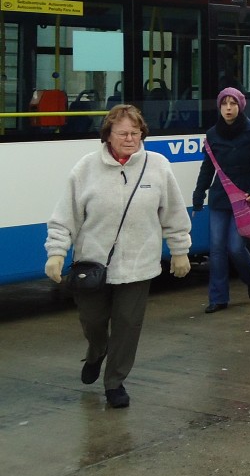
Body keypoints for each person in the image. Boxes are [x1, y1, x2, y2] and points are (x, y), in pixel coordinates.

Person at [44, 104, 192, 409]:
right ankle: (97, 350)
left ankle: (115, 382)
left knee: (128, 324)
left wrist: (180, 250)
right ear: (108, 135)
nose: (130, 139)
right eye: (123, 133)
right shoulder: (85, 168)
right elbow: (65, 216)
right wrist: (56, 253)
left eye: (135, 133)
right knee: (93, 321)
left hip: (139, 265)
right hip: (93, 265)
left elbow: (175, 213)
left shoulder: (158, 166)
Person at [193, 86, 250, 313]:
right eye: (224, 104)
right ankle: (218, 298)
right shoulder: (212, 135)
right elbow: (207, 168)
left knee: (235, 247)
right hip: (219, 197)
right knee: (216, 249)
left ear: (240, 106)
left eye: (233, 103)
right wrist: (198, 195)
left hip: (244, 197)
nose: (228, 108)